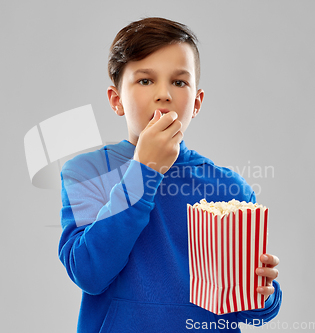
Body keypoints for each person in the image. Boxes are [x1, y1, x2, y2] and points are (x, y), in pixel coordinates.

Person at [58, 17, 282, 332]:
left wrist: (265, 293)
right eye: (145, 80)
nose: (163, 94)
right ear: (116, 99)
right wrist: (143, 172)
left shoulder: (229, 187)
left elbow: (247, 307)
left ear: (197, 102)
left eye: (179, 82)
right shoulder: (87, 173)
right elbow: (89, 272)